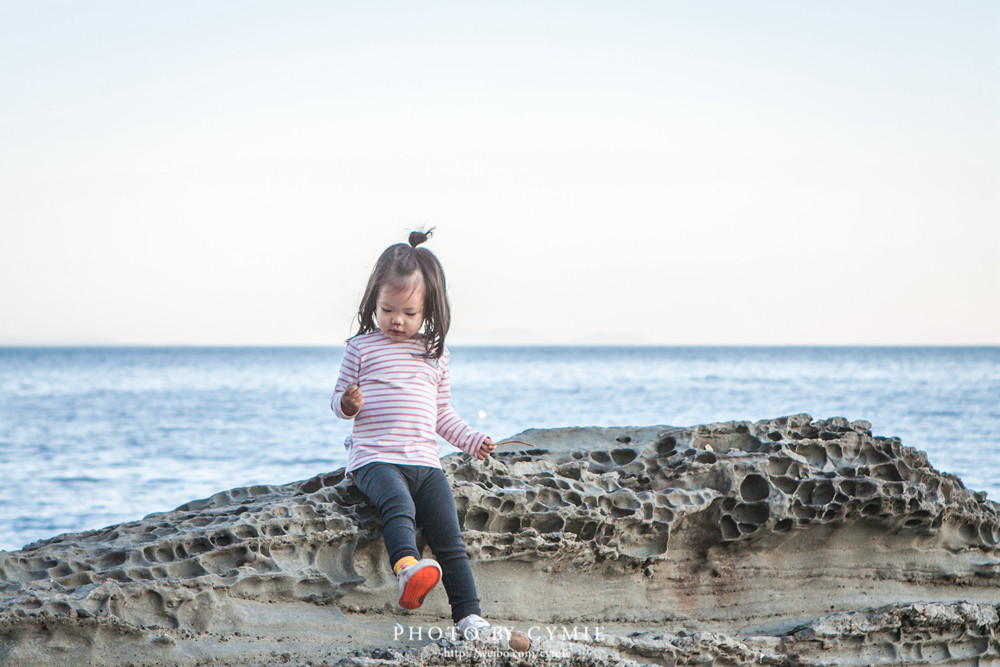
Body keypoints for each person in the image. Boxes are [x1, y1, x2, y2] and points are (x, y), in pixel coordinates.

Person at [331, 229, 497, 640]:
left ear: (428, 310)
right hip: (374, 458)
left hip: (425, 462)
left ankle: (469, 617)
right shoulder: (361, 348)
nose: (397, 320)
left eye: (408, 312)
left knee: (450, 538)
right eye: (388, 310)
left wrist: (473, 441)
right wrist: (349, 404)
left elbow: (442, 414)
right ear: (374, 302)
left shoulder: (434, 354)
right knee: (397, 505)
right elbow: (337, 402)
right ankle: (407, 568)